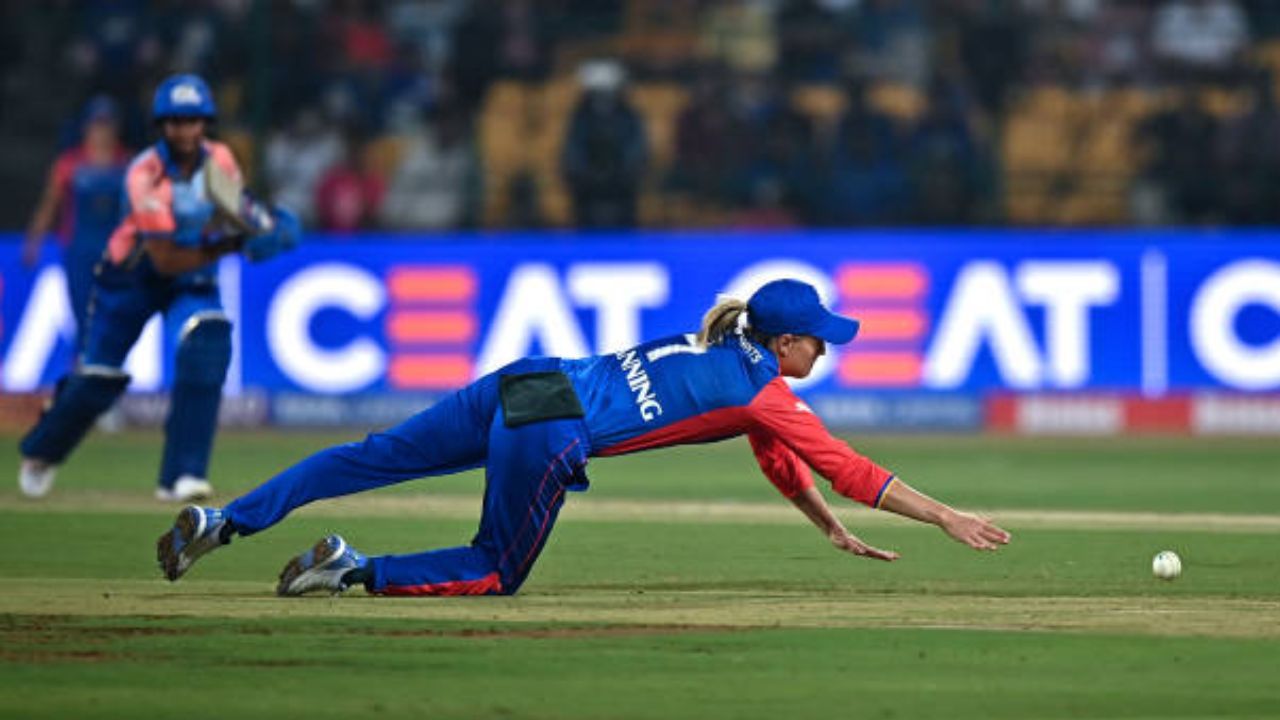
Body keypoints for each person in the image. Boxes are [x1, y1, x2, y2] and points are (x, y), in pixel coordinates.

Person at [157, 278, 1011, 597]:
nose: (826, 348)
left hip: (529, 379)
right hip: (553, 427)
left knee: (369, 455)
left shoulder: (714, 341)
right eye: (818, 337)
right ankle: (349, 569)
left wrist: (824, 525)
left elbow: (778, 458)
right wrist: (946, 517)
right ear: (785, 343)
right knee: (495, 569)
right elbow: (851, 467)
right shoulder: (763, 388)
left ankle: (224, 520)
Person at [17, 73, 299, 502]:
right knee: (98, 380)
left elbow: (239, 210)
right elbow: (166, 258)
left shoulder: (217, 161)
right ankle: (42, 451)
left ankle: (182, 474)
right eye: (174, 121)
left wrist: (268, 228)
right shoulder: (144, 172)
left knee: (208, 342)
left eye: (192, 120)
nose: (183, 130)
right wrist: (235, 242)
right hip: (131, 278)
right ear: (161, 125)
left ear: (205, 123)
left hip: (192, 277)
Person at [22, 96, 130, 344]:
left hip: (116, 253)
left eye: (107, 125)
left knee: (113, 315)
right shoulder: (69, 164)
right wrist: (33, 242)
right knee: (82, 314)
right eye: (97, 125)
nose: (102, 132)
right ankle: (84, 370)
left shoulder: (127, 163)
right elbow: (50, 205)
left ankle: (107, 370)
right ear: (86, 127)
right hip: (78, 251)